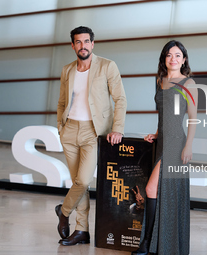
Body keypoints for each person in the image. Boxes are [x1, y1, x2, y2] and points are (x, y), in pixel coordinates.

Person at [56, 26, 127, 246]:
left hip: (93, 132)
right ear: (73, 45)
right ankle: (82, 231)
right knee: (80, 183)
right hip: (69, 131)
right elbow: (61, 102)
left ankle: (64, 211)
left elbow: (121, 99)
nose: (83, 46)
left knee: (84, 179)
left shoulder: (107, 66)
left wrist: (118, 129)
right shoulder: (67, 70)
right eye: (78, 42)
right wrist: (60, 126)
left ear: (92, 44)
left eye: (87, 42)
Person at [132, 40, 198, 255]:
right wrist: (157, 133)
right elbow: (164, 115)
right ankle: (155, 244)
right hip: (162, 142)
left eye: (177, 55)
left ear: (184, 59)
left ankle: (146, 243)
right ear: (164, 58)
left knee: (152, 189)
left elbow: (192, 119)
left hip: (177, 143)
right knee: (161, 192)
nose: (173, 59)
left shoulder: (189, 84)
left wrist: (188, 146)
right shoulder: (159, 80)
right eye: (169, 55)